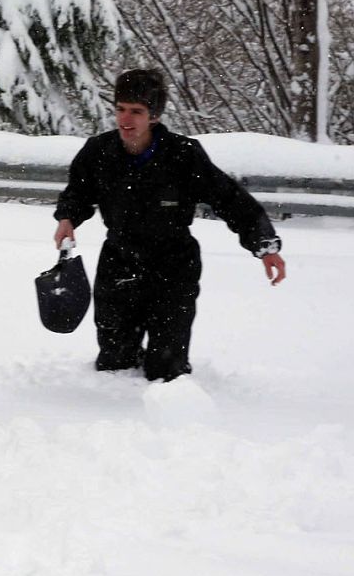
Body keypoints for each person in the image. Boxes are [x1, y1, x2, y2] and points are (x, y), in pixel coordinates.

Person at [53, 69, 286, 381]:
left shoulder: (183, 155)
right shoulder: (99, 152)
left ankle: (170, 417)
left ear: (154, 115)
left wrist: (264, 244)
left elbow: (230, 199)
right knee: (114, 367)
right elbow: (78, 192)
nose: (126, 119)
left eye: (136, 111)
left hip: (173, 267)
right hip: (119, 263)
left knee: (166, 370)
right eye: (120, 109)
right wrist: (68, 217)